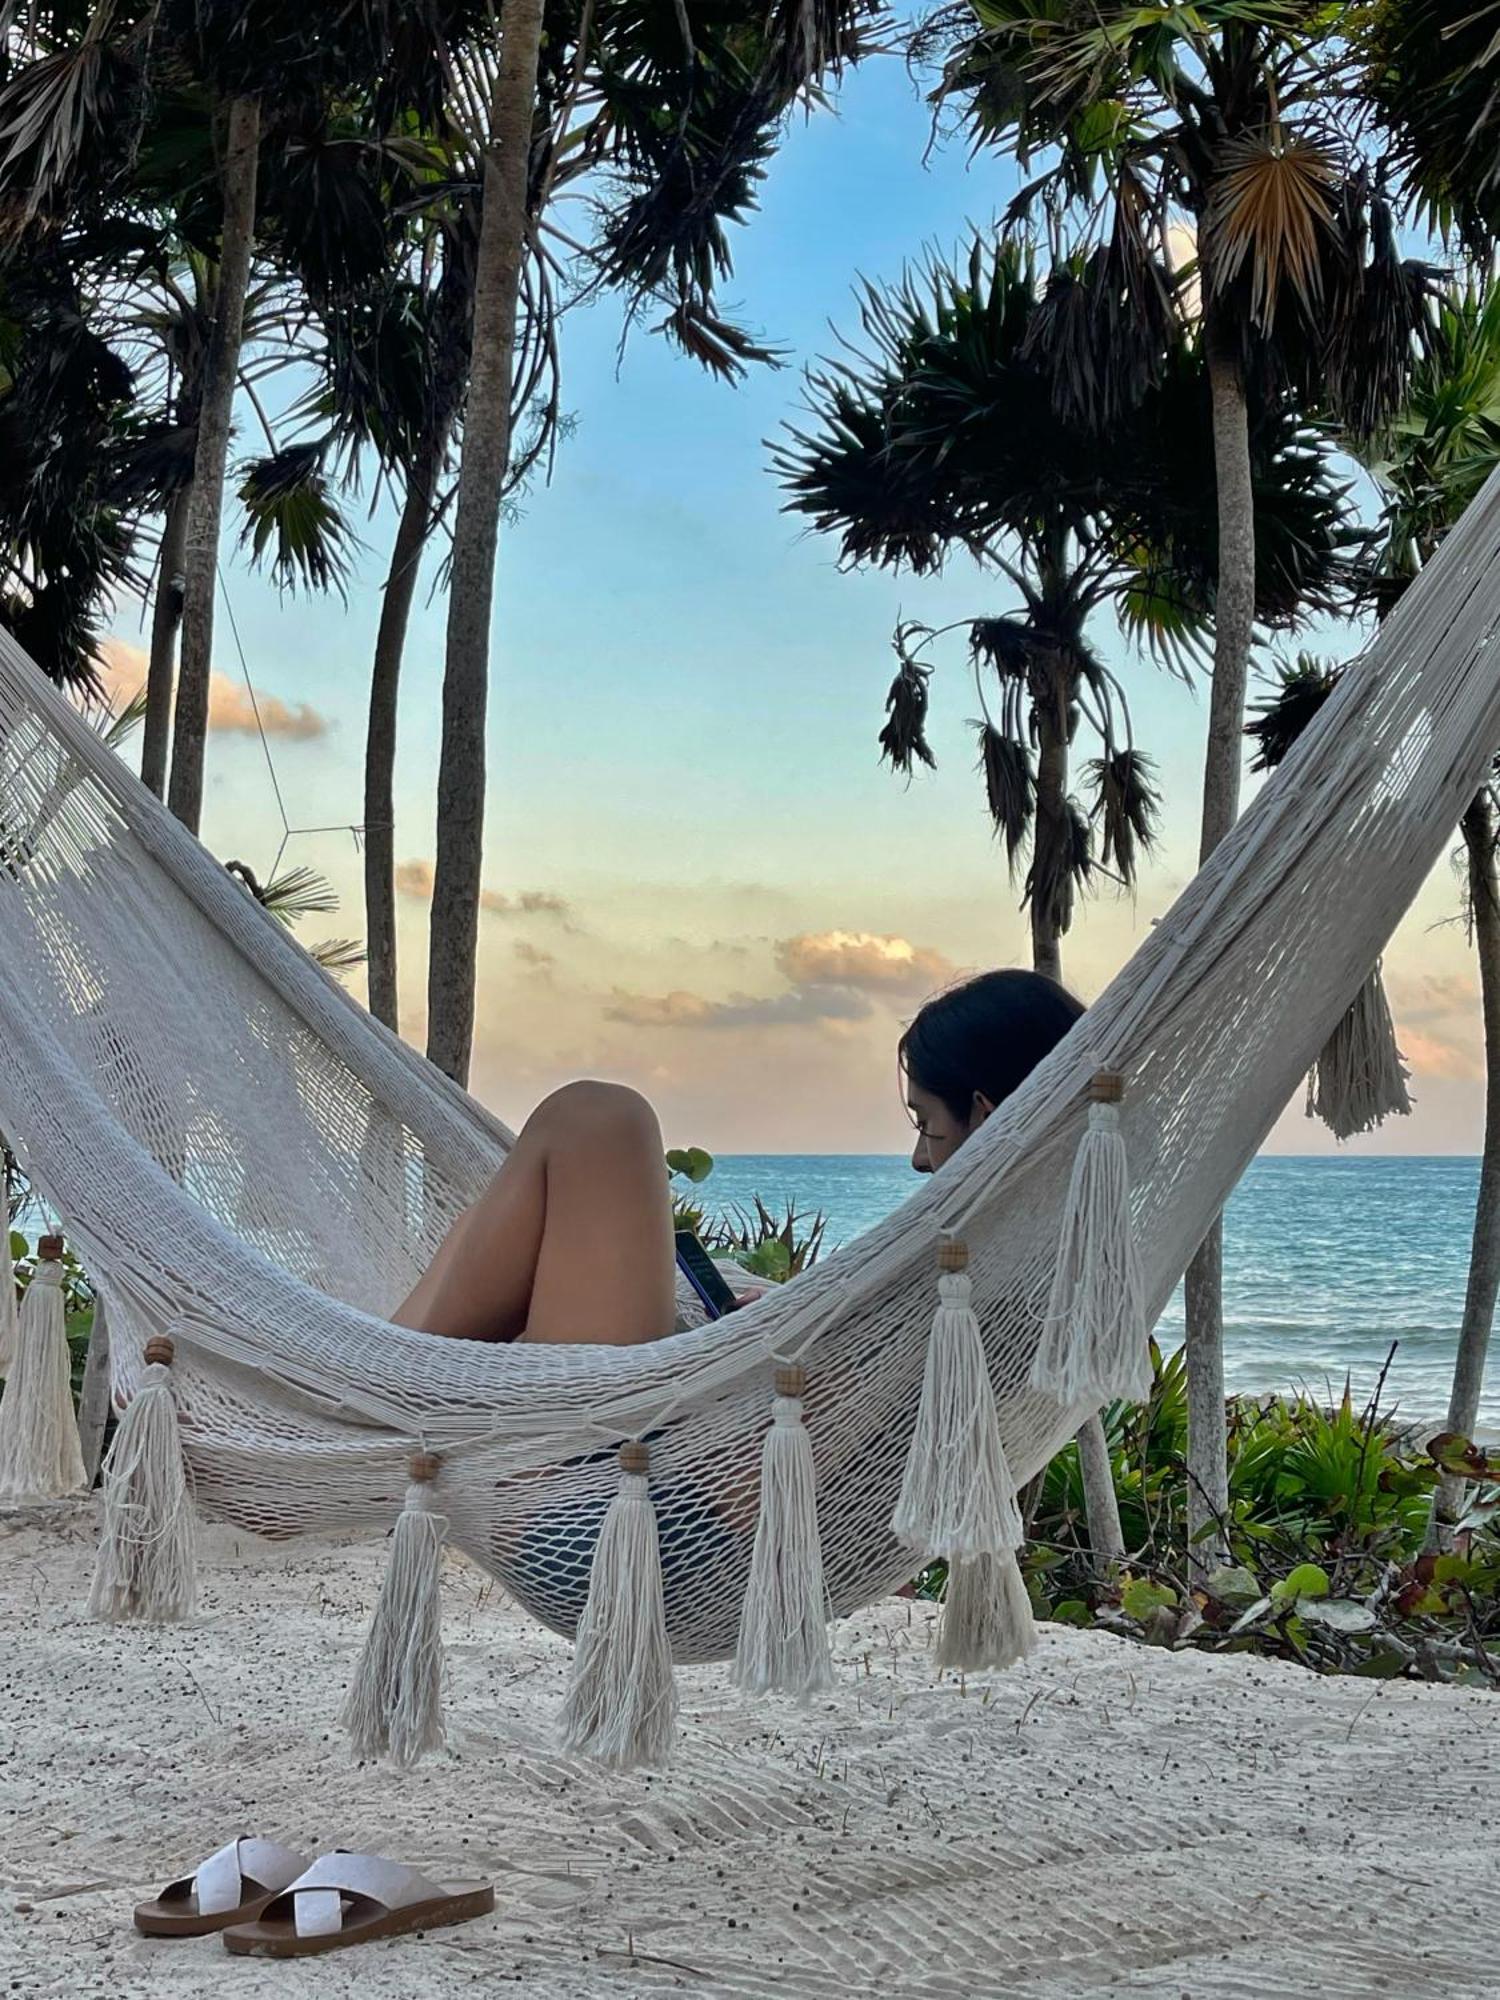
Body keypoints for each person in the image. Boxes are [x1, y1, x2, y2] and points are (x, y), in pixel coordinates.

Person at [392, 967, 1084, 1347]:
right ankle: (356, 1403)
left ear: (988, 1114)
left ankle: (354, 1415)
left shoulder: (990, 1274)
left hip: (649, 1490)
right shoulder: (1037, 1255)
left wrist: (785, 1335)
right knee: (502, 1222)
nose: (918, 1161)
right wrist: (788, 1311)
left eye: (927, 1124)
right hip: (673, 1444)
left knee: (601, 1121)